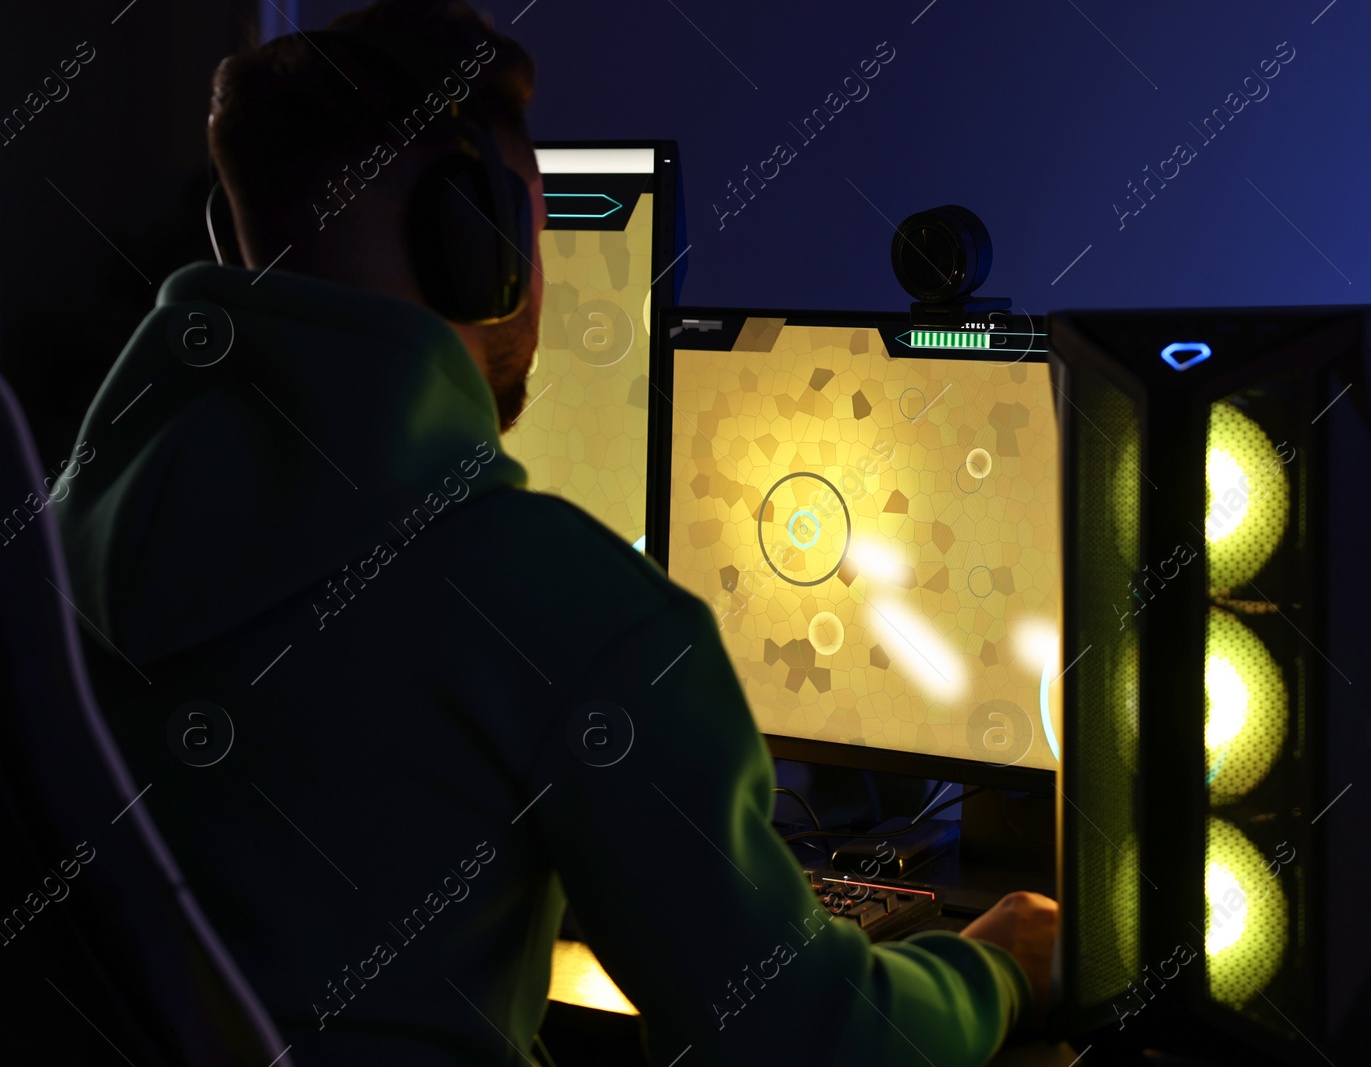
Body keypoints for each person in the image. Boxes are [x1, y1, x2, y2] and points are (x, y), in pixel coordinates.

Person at [57, 1, 1058, 1063]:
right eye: (529, 230)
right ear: (476, 246)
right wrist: (994, 964)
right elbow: (809, 1035)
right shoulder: (558, 607)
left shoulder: (68, 540)